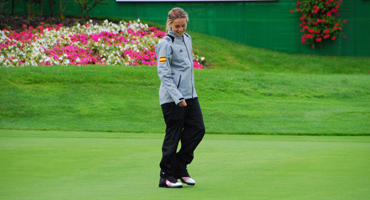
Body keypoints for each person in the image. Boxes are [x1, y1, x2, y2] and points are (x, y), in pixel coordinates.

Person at [156, 7, 205, 188]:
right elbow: (164, 74)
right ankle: (166, 176)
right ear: (170, 24)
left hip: (191, 96)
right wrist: (177, 97)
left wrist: (188, 95)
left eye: (183, 25)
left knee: (198, 129)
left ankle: (180, 166)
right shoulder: (165, 43)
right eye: (177, 26)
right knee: (173, 136)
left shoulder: (187, 38)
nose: (181, 29)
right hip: (172, 99)